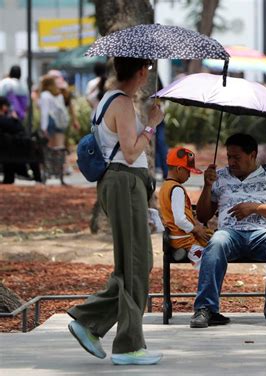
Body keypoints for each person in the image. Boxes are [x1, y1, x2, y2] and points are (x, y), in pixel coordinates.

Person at [67, 57, 165, 365]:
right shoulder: (121, 103)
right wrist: (152, 124)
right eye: (147, 69)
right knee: (137, 263)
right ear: (139, 72)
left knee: (134, 264)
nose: (148, 74)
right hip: (124, 183)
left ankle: (88, 321)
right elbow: (132, 149)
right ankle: (128, 346)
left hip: (123, 184)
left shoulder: (107, 99)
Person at [190, 133, 266, 328]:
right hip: (230, 234)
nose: (231, 162)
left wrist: (253, 207)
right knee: (217, 242)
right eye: (229, 156)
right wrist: (207, 186)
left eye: (236, 157)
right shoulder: (220, 176)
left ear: (252, 154)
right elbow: (203, 216)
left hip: (263, 233)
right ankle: (206, 309)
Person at [158, 146, 211, 269]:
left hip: (175, 237)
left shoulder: (165, 186)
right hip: (184, 239)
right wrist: (196, 229)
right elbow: (179, 220)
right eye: (188, 171)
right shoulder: (176, 189)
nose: (189, 176)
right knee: (210, 261)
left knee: (210, 236)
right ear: (179, 169)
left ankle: (181, 252)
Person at [0, 96, 41, 184]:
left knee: (9, 151)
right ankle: (38, 178)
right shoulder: (10, 121)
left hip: (7, 152)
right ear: (3, 107)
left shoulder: (6, 121)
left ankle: (9, 177)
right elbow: (21, 129)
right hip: (21, 151)